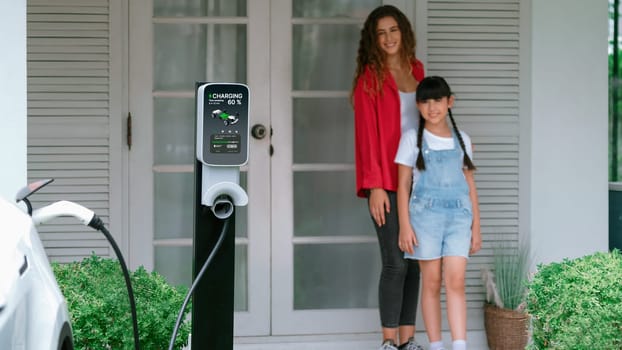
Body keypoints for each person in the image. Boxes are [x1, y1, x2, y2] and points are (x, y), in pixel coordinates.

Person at [351, 5, 425, 350]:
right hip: (388, 182)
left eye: (393, 30)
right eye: (380, 33)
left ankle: (408, 341)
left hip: (421, 182)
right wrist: (375, 186)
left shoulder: (418, 71)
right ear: (373, 39)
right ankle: (388, 342)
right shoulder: (370, 78)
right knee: (395, 262)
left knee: (414, 264)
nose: (388, 38)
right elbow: (366, 136)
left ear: (403, 32)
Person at [395, 76, 482, 350]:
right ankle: (436, 345)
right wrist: (405, 226)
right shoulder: (412, 139)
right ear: (418, 106)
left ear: (449, 102)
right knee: (431, 283)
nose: (432, 107)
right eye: (425, 101)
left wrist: (476, 227)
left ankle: (459, 345)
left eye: (438, 100)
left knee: (455, 280)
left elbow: (470, 185)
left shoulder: (463, 140)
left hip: (459, 218)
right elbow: (403, 186)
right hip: (425, 220)